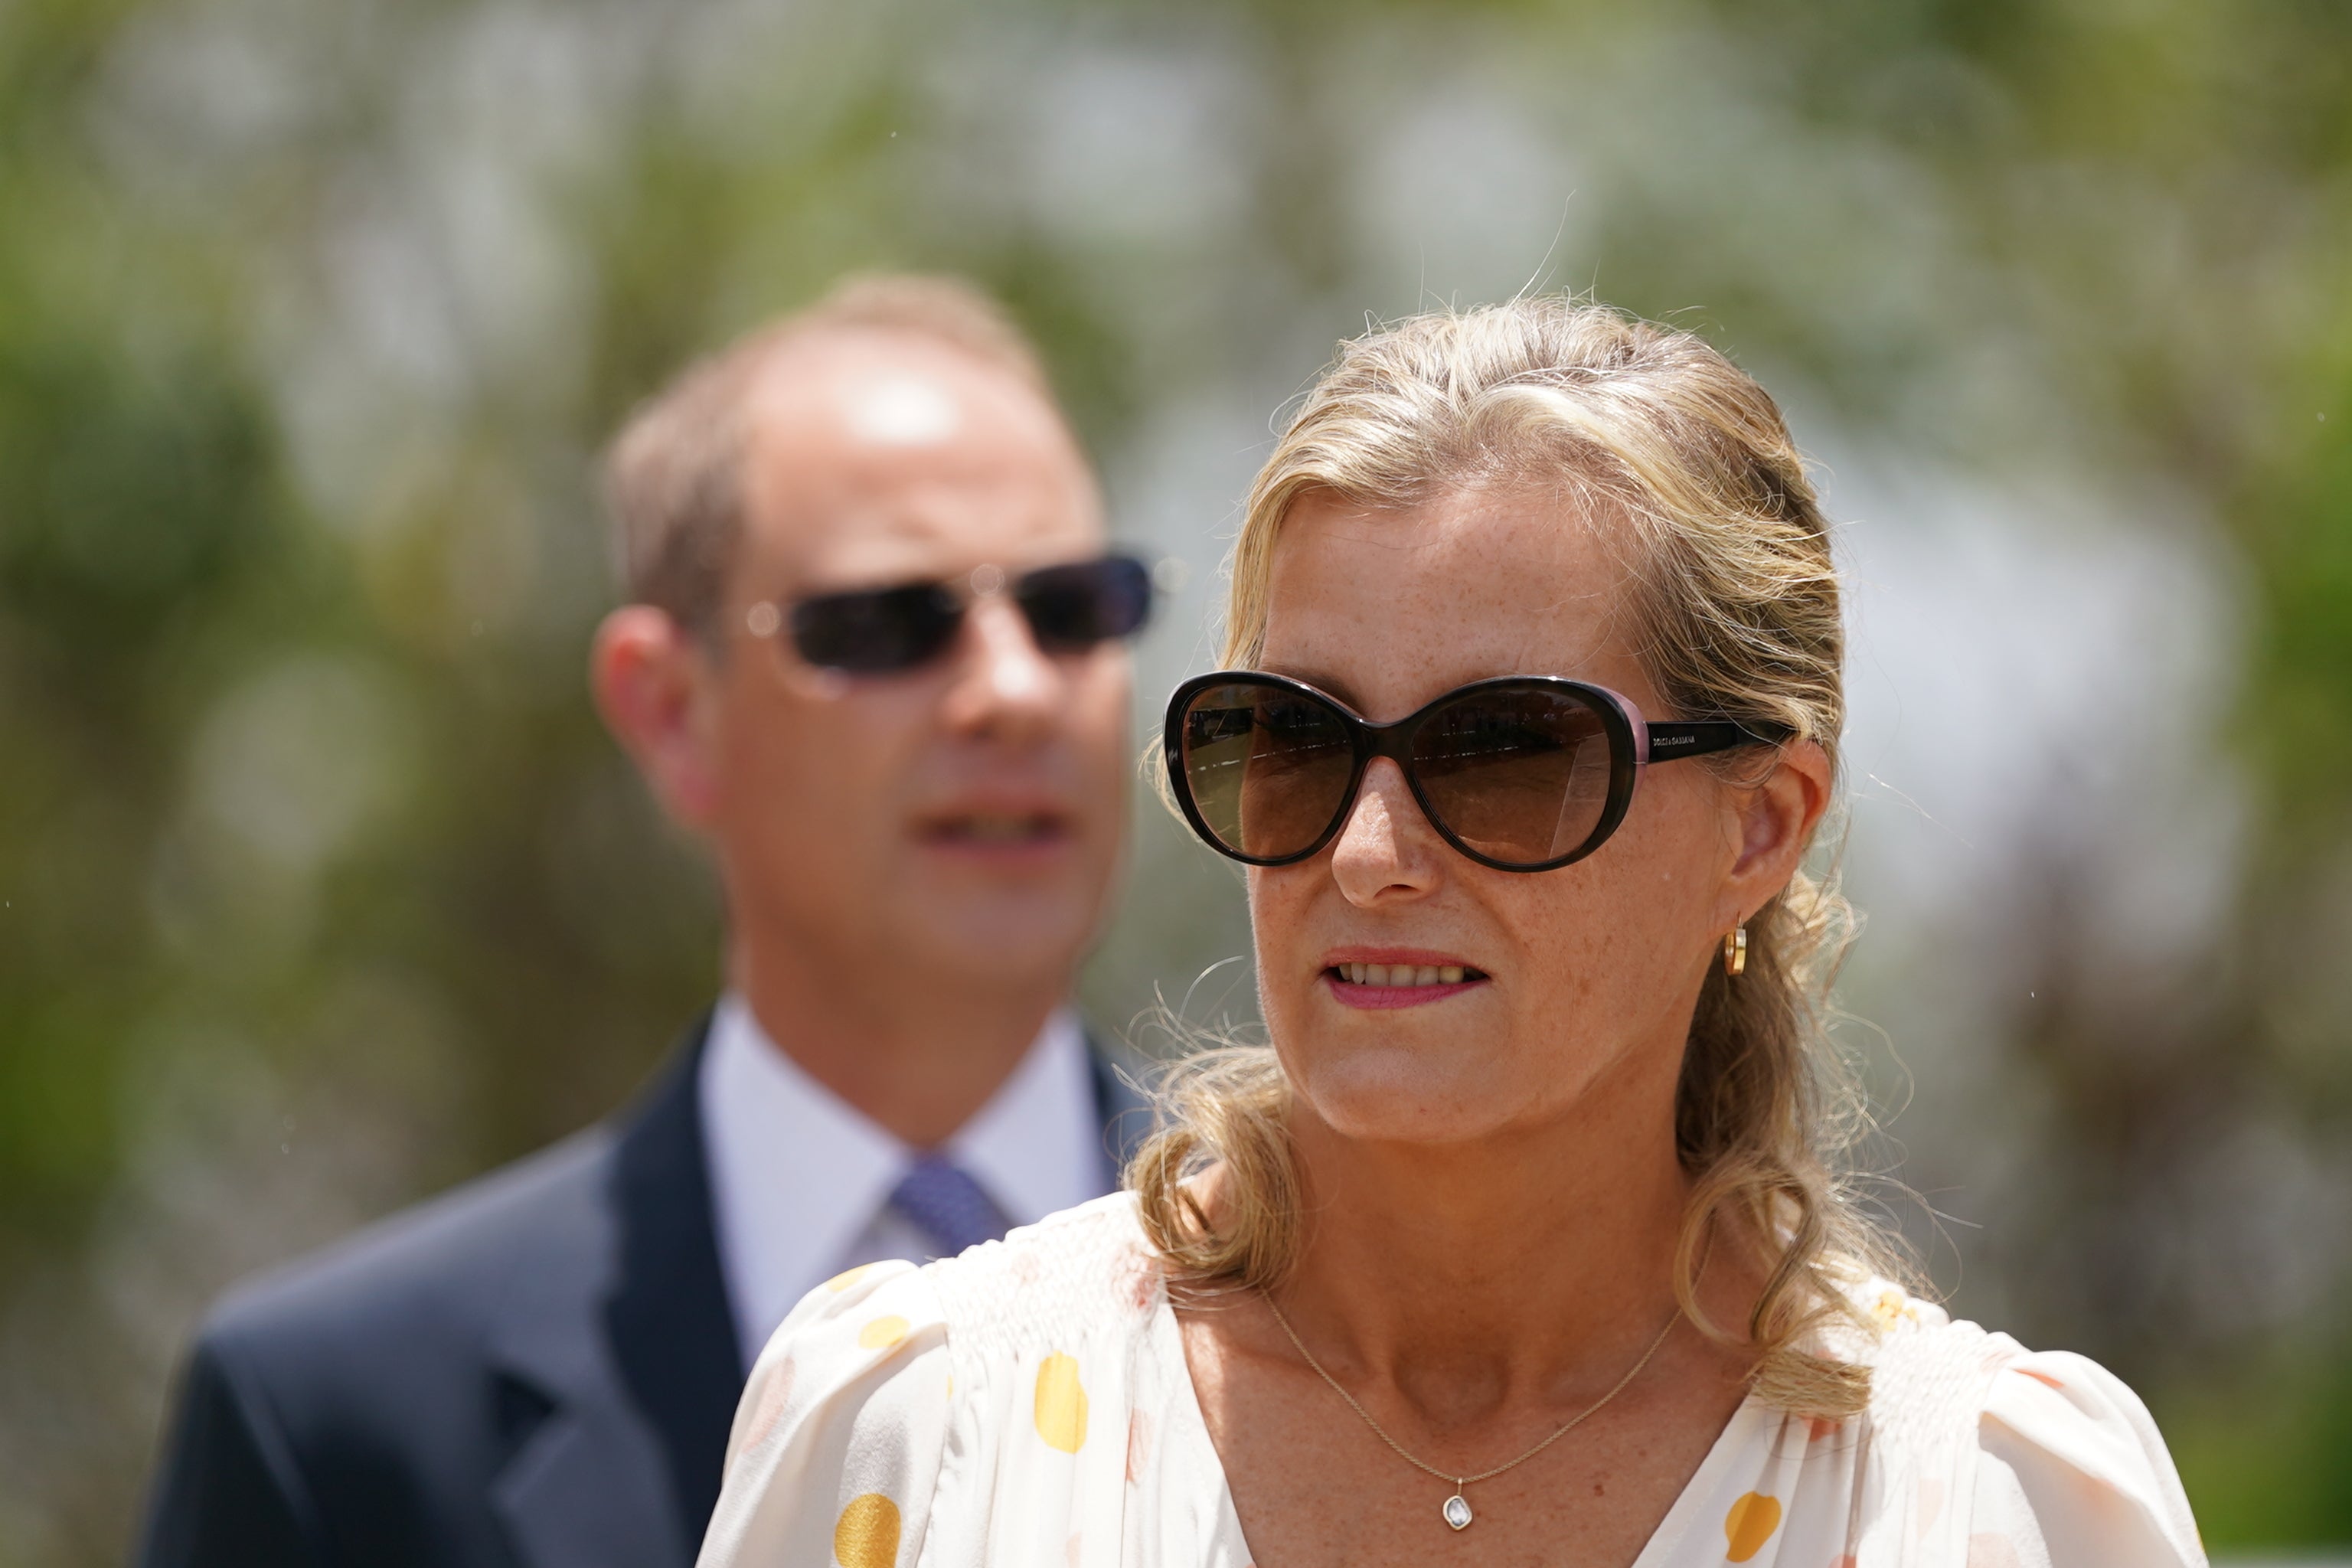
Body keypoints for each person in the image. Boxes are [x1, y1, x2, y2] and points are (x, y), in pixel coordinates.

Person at [694, 299, 2207, 1568]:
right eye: (1287, 740)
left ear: (1760, 825)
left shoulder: (1992, 1515)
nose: (1368, 853)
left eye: (1505, 753)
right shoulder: (918, 1439)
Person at [137, 274, 1156, 1568]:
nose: (1013, 691)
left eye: (1072, 611)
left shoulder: (1376, 1301)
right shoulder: (333, 1428)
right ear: (674, 713)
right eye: (894, 623)